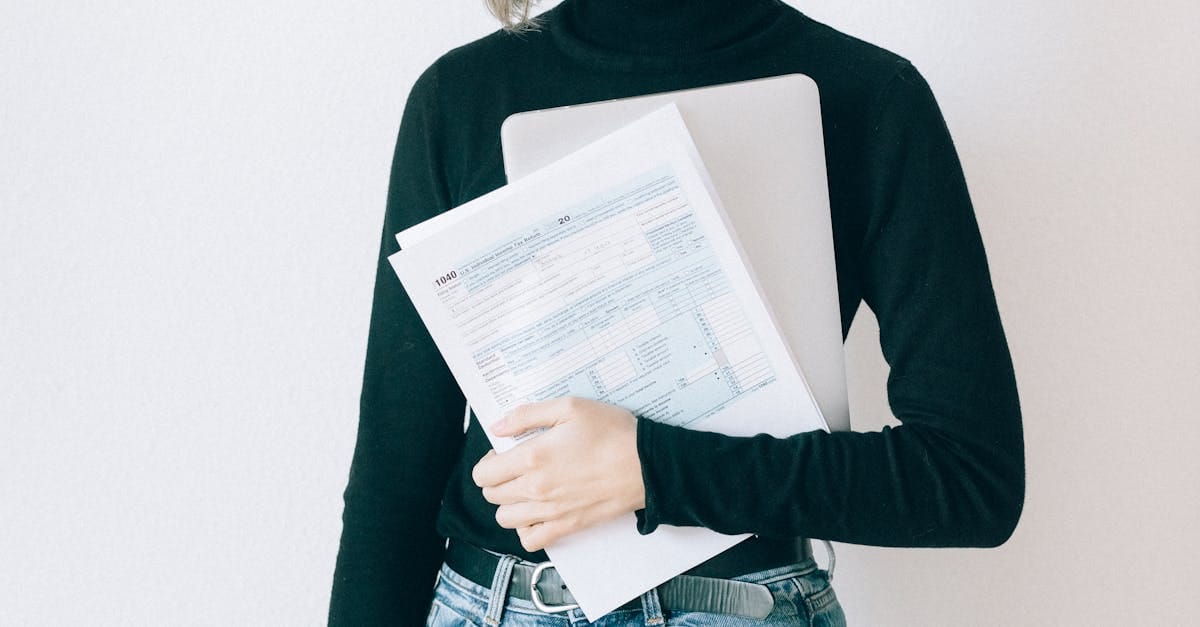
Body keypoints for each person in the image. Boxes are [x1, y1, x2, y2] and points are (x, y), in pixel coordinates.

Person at [329, 0, 1025, 624]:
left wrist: (651, 467)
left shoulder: (870, 96)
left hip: (748, 606)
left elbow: (972, 476)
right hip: (494, 602)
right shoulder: (458, 101)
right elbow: (396, 473)